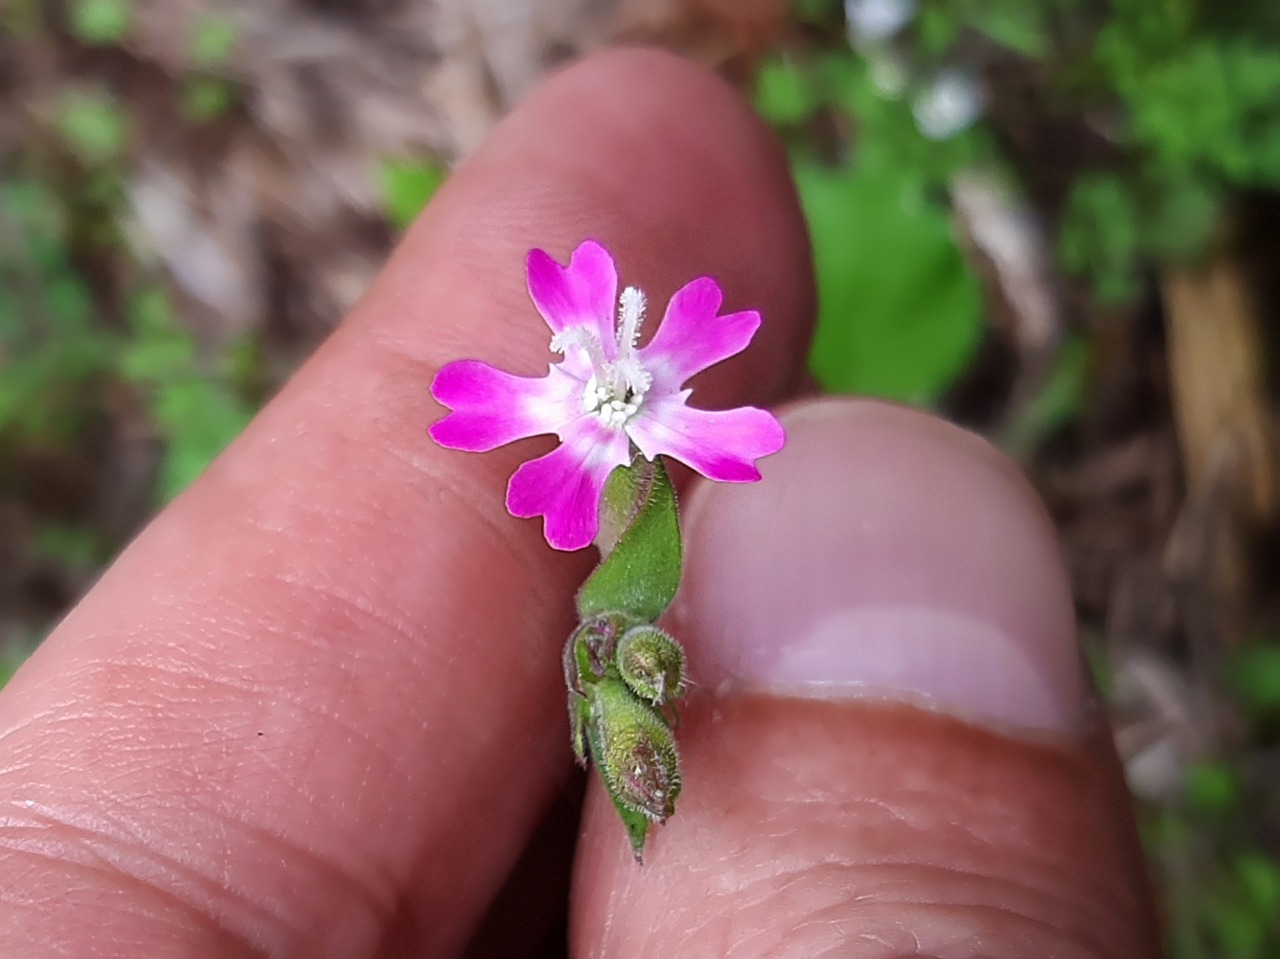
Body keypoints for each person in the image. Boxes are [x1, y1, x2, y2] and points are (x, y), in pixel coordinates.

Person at [0, 49, 1160, 957]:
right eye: (596, 366)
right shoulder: (584, 437)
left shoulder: (648, 415)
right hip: (614, 495)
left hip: (647, 471)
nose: (608, 376)